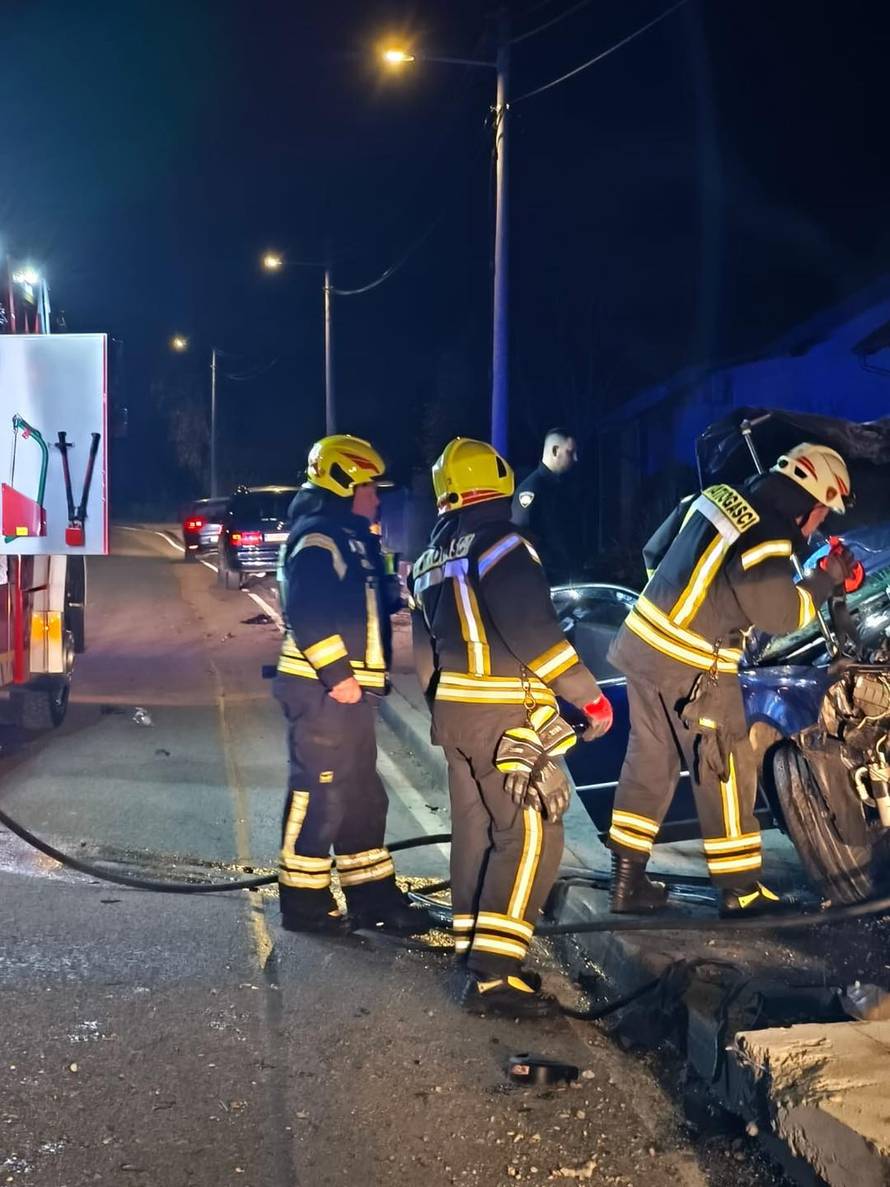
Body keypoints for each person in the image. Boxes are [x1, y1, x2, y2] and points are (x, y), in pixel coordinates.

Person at [606, 443, 858, 916]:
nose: (820, 524)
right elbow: (783, 614)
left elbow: (654, 552)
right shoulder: (769, 535)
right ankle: (740, 890)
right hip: (695, 666)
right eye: (823, 513)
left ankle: (627, 884)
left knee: (649, 764)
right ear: (814, 500)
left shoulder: (716, 496)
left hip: (642, 646)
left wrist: (683, 605)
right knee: (724, 769)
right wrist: (826, 579)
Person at [411, 437, 613, 1017]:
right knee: (530, 834)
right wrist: (589, 698)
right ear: (496, 483)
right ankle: (495, 976)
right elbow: (535, 631)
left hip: (455, 718)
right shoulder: (503, 543)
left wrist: (446, 708)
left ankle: (472, 942)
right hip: (506, 717)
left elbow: (423, 650)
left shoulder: (430, 559)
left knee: (475, 834)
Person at [274, 434, 429, 935]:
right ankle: (304, 904)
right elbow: (308, 609)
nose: (377, 496)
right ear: (344, 484)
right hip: (324, 693)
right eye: (370, 486)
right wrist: (338, 675)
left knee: (362, 795)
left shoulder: (351, 536)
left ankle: (372, 898)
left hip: (348, 694)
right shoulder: (320, 535)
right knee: (320, 795)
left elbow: (354, 604)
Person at [512, 427, 579, 583]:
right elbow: (521, 538)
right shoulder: (531, 490)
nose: (575, 458)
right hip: (543, 582)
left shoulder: (560, 489)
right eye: (570, 452)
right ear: (555, 451)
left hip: (563, 580)